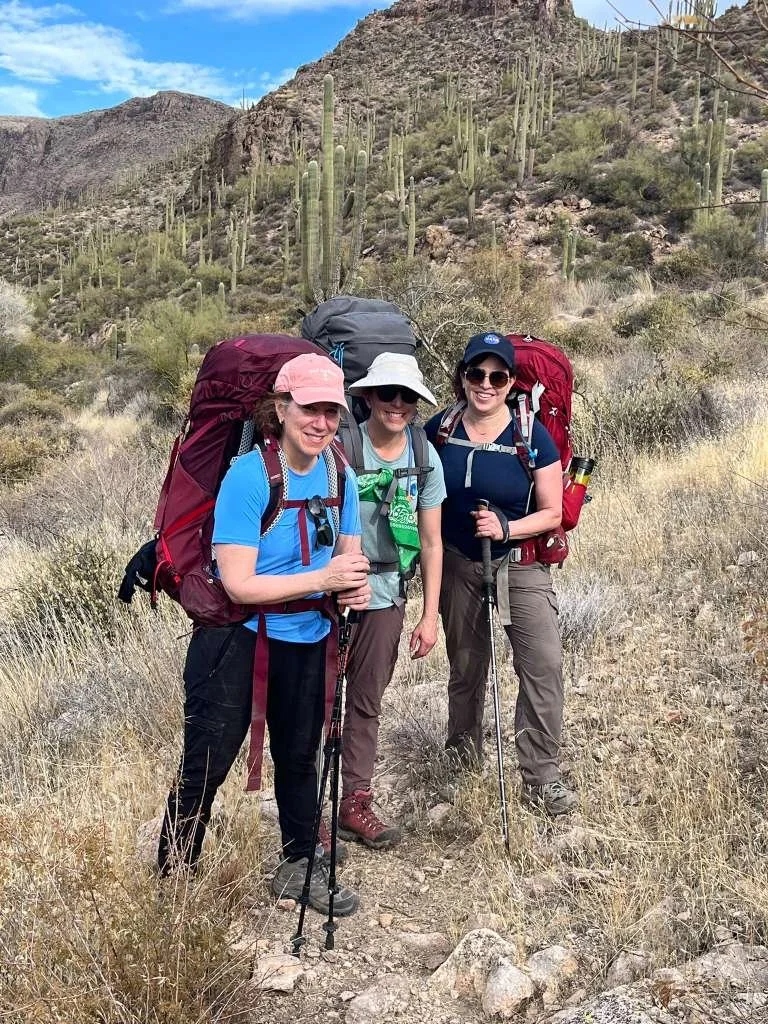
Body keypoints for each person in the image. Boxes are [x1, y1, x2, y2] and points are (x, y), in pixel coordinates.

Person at [157, 353, 371, 914]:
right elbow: (237, 584)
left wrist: (353, 587)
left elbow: (349, 558)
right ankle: (173, 874)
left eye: (331, 411)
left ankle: (299, 865)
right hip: (238, 640)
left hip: (305, 636)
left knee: (301, 755)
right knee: (207, 759)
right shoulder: (250, 476)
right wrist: (324, 577)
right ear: (281, 408)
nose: (321, 423)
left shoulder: (340, 475)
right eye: (310, 408)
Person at [425, 332, 576, 816]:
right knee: (466, 666)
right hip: (458, 562)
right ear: (462, 376)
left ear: (511, 382)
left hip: (519, 564)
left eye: (497, 376)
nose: (485, 385)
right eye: (476, 374)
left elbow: (552, 511)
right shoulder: (441, 429)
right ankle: (462, 758)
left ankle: (541, 774)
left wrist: (508, 526)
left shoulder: (531, 436)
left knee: (543, 666)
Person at [336, 352, 447, 849]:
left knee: (365, 702)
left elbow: (431, 543)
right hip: (330, 594)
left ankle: (355, 800)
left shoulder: (424, 457)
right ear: (367, 397)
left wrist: (429, 617)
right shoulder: (341, 447)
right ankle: (307, 808)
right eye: (387, 394)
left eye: (406, 397)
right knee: (315, 702)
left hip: (386, 595)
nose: (396, 405)